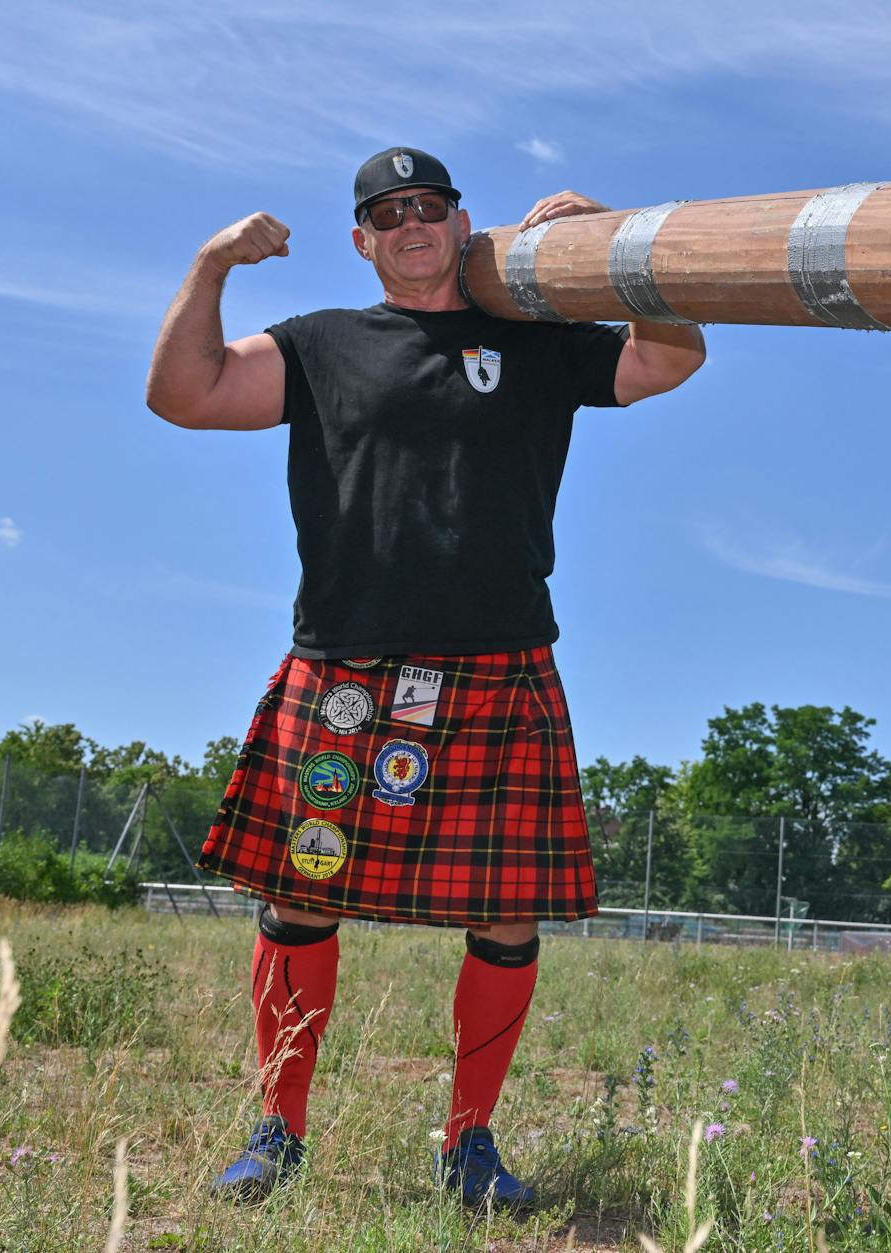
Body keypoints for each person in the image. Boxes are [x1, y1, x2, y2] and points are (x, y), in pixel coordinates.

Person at [145, 147, 705, 1213]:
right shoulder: (320, 345)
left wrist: (620, 250)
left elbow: (667, 360)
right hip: (346, 667)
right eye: (385, 211)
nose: (408, 221)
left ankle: (469, 1141)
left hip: (500, 663)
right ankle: (277, 1126)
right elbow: (185, 392)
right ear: (363, 238)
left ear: (459, 222)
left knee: (504, 917)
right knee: (297, 898)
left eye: (428, 205)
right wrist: (213, 263)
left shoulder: (534, 341)